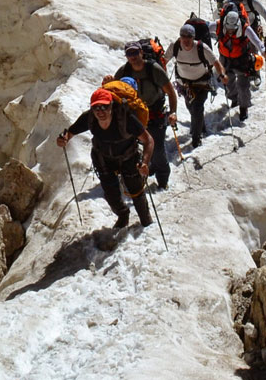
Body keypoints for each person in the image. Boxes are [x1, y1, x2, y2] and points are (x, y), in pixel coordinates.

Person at [57, 87, 155, 228]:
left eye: (104, 107)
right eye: (96, 107)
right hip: (103, 159)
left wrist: (145, 162)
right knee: (111, 194)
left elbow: (148, 140)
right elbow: (69, 132)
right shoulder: (89, 118)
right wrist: (63, 139)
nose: (100, 111)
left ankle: (146, 220)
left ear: (112, 105)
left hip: (128, 158)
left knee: (136, 190)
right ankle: (123, 214)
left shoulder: (125, 118)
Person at [114, 40, 179, 189]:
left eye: (135, 53)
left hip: (155, 114)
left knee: (157, 149)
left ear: (141, 53)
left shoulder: (153, 69)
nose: (133, 57)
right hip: (134, 116)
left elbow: (170, 92)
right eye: (129, 54)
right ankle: (146, 169)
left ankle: (163, 179)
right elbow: (113, 91)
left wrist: (173, 112)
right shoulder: (123, 72)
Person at [169, 22, 226, 148]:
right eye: (183, 36)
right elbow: (164, 60)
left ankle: (196, 137)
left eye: (189, 36)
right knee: (191, 107)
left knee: (196, 108)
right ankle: (200, 126)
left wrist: (222, 75)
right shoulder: (175, 46)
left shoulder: (202, 48)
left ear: (193, 37)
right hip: (184, 84)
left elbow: (216, 62)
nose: (185, 39)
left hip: (201, 83)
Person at [215, 0, 266, 124]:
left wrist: (263, 51)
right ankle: (234, 99)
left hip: (242, 59)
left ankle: (244, 108)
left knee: (243, 86)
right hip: (226, 59)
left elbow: (256, 40)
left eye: (233, 28)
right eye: (228, 28)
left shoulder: (245, 28)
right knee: (228, 82)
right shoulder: (219, 25)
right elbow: (207, 26)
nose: (230, 31)